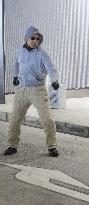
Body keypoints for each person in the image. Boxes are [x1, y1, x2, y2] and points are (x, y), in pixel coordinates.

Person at [3, 26, 60, 157]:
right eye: (33, 38)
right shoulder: (19, 51)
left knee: (47, 119)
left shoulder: (42, 54)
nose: (35, 41)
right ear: (27, 38)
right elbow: (16, 63)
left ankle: (52, 146)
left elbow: (51, 68)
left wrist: (54, 80)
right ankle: (12, 145)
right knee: (15, 119)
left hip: (38, 90)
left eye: (38, 39)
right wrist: (15, 76)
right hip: (22, 90)